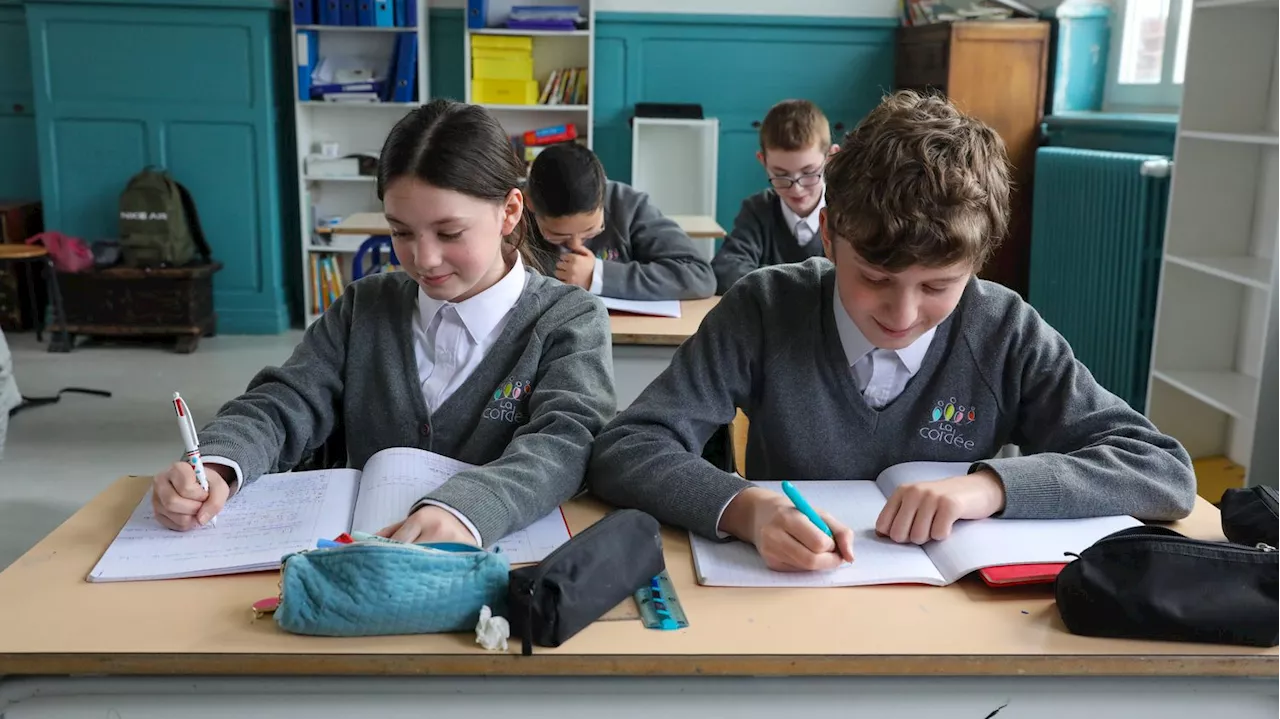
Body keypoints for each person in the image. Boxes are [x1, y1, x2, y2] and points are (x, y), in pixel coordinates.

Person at [587, 90, 1195, 573]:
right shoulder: (766, 307)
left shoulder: (1003, 327)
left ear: (976, 265)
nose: (901, 314)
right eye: (874, 277)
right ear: (829, 236)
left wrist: (987, 489)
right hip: (794, 602)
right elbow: (628, 448)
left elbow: (1160, 469)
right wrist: (744, 508)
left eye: (937, 287)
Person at [149, 99, 617, 548]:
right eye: (401, 232)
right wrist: (217, 464)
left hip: (489, 574)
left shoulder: (569, 319)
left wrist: (470, 509)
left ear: (510, 212)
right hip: (355, 564)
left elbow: (565, 440)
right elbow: (285, 399)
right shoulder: (365, 305)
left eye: (450, 233)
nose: (424, 259)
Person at [524, 142, 716, 301]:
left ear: (603, 198)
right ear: (528, 202)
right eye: (559, 235)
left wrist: (598, 275)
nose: (576, 244)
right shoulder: (510, 215)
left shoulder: (628, 205)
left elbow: (699, 275)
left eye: (590, 230)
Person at [711, 99, 838, 294]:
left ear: (830, 158)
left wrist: (768, 284)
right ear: (763, 161)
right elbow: (726, 272)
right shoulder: (757, 209)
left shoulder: (846, 211)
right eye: (780, 174)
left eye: (809, 172)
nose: (797, 189)